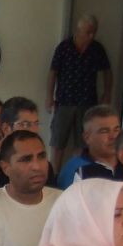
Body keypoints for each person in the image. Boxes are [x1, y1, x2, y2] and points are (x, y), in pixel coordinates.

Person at [47, 14, 114, 171]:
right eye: (88, 32)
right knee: (58, 142)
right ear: (79, 31)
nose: (91, 36)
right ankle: (54, 174)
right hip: (64, 101)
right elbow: (52, 73)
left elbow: (107, 72)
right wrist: (49, 97)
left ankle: (75, 172)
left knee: (82, 143)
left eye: (93, 32)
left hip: (88, 103)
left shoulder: (97, 49)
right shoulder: (64, 47)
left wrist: (107, 93)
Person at [0, 97, 57, 194]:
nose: (34, 131)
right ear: (6, 128)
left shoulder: (44, 166)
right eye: (26, 124)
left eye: (36, 124)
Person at [56, 104, 122, 188]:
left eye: (116, 130)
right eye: (104, 131)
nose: (113, 136)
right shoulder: (76, 170)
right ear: (87, 138)